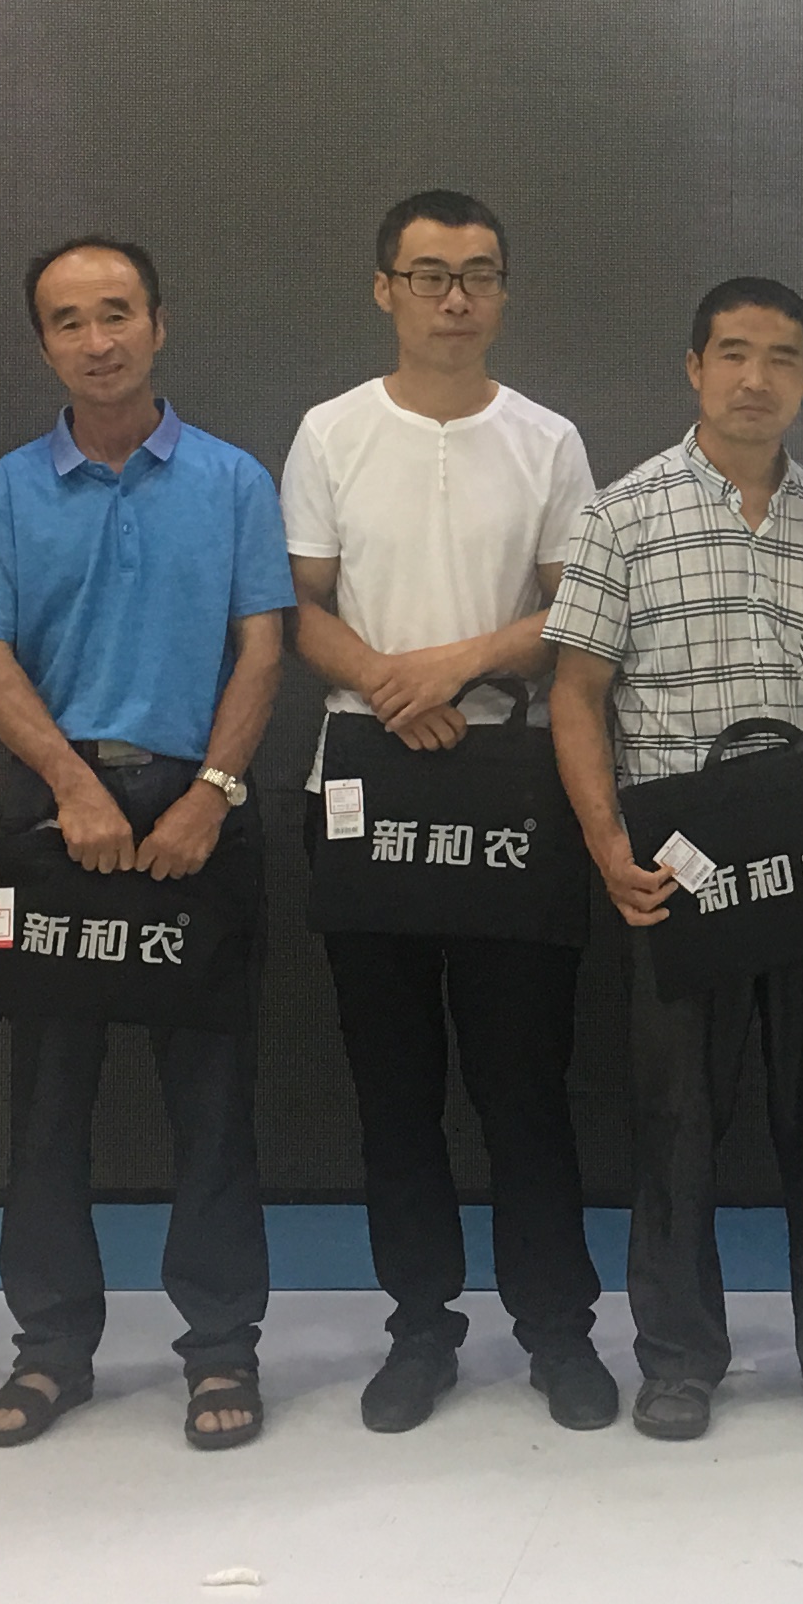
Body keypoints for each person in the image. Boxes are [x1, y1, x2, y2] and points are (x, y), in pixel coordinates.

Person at [549, 276, 803, 1442]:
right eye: (734, 354)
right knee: (676, 1122)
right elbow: (577, 694)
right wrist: (608, 846)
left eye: (782, 357)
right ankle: (677, 1359)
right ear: (694, 368)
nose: (757, 378)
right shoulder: (622, 513)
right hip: (680, 863)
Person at [281, 191, 610, 1436]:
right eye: (428, 275)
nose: (454, 298)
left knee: (526, 1085)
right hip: (366, 780)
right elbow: (298, 603)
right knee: (395, 1086)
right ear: (386, 290)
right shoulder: (330, 432)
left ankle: (558, 1331)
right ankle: (421, 1328)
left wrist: (457, 664)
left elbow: (574, 609)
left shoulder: (548, 440)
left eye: (477, 274)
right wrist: (384, 682)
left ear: (503, 292)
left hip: (505, 780)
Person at [0, 237, 291, 1452]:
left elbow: (263, 645)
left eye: (117, 313)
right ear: (43, 342)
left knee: (213, 1103)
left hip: (202, 820)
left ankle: (222, 1349)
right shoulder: (7, 491)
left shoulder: (233, 480)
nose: (97, 340)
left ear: (158, 323)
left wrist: (209, 795)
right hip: (57, 827)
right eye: (69, 321)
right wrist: (68, 784)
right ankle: (52, 1349)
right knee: (47, 1103)